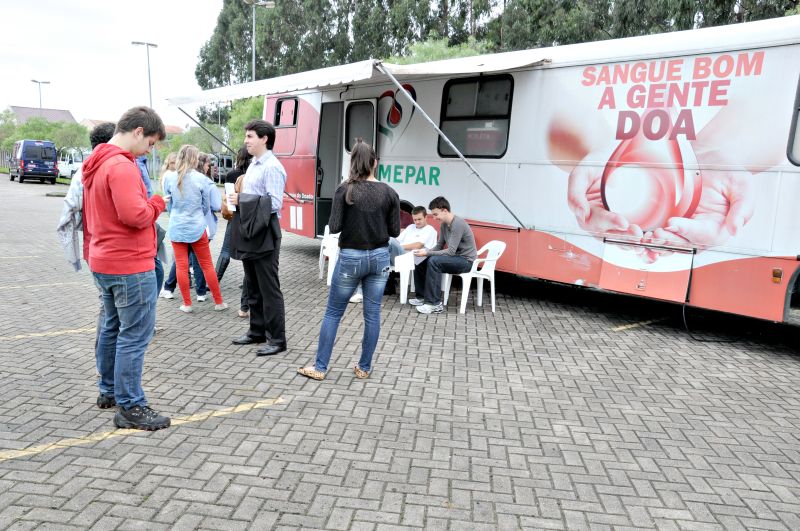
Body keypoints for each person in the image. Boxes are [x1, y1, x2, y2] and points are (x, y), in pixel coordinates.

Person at [81, 106, 169, 431]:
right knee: (134, 336)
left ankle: (109, 391)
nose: (150, 150)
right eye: (151, 143)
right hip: (129, 264)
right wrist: (158, 203)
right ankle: (130, 406)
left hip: (103, 260)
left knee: (111, 327)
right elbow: (135, 216)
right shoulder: (120, 166)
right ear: (138, 132)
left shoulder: (95, 164)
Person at [298, 140, 400, 380]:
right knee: (372, 314)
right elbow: (395, 231)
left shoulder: (345, 189)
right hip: (379, 258)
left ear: (352, 162)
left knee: (333, 313)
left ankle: (320, 367)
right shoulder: (390, 193)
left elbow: (334, 226)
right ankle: (364, 368)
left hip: (351, 257)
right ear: (375, 163)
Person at [228, 120, 288, 356]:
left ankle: (278, 339)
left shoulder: (272, 167)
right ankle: (257, 331)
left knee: (269, 287)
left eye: (250, 136)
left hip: (265, 231)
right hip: (251, 228)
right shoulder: (254, 164)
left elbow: (274, 203)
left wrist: (241, 200)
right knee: (252, 284)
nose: (246, 141)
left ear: (264, 139)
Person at [162, 145, 227, 313]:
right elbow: (205, 206)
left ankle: (187, 304)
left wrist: (176, 215)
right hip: (197, 226)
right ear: (194, 159)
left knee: (181, 266)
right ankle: (218, 302)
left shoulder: (169, 178)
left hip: (177, 226)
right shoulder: (202, 179)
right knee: (207, 265)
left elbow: (169, 205)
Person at [409, 196, 477, 314]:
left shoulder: (458, 224)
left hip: (466, 261)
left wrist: (428, 252)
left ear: (445, 211)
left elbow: (450, 251)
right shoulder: (444, 224)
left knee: (434, 261)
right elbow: (439, 246)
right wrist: (424, 253)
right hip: (455, 258)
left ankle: (434, 304)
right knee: (421, 259)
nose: (434, 218)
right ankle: (422, 297)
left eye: (436, 214)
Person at [216, 146, 252, 318]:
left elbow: (229, 201)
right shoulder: (254, 174)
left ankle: (215, 281)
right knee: (249, 256)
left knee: (225, 250)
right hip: (250, 219)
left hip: (234, 218)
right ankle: (246, 286)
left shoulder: (231, 175)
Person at [386, 205, 438, 294]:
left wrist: (399, 247)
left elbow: (418, 245)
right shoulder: (410, 227)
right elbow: (397, 240)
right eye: (415, 220)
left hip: (411, 258)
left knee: (389, 240)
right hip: (400, 256)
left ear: (426, 217)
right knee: (387, 241)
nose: (417, 222)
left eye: (419, 219)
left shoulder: (430, 230)